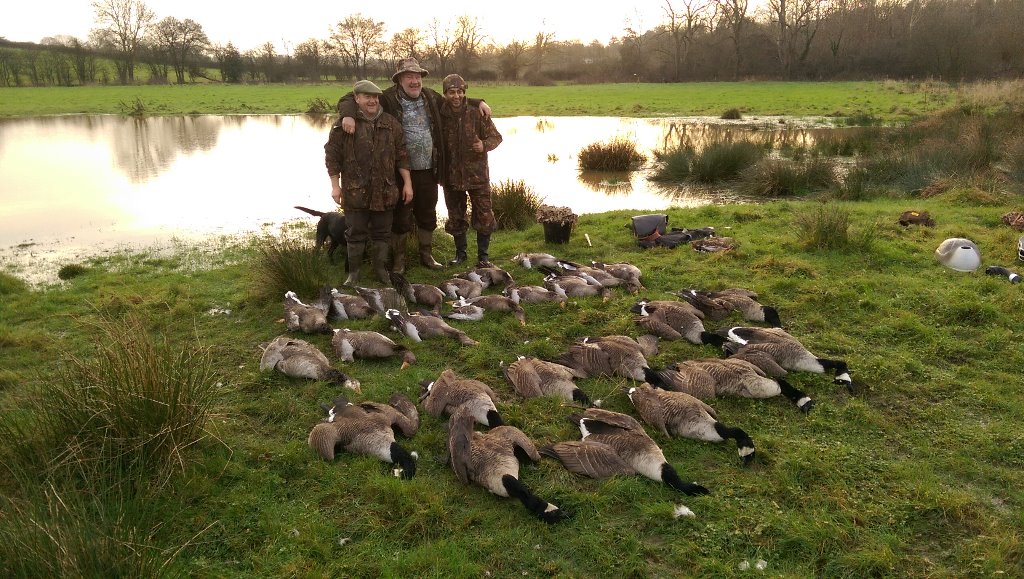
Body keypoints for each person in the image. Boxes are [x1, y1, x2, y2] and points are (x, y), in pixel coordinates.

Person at [336, 58, 491, 273]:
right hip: (399, 171)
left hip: (429, 169)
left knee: (427, 214)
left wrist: (478, 101)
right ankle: (399, 261)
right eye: (409, 76)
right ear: (399, 79)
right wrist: (348, 114)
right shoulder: (387, 98)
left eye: (417, 76)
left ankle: (426, 256)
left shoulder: (430, 96)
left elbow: (456, 100)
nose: (414, 80)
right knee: (401, 216)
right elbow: (352, 97)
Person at [324, 80, 413, 286]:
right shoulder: (343, 125)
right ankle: (353, 274)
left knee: (382, 233)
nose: (372, 101)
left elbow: (402, 155)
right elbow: (332, 157)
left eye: (375, 97)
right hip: (355, 191)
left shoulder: (391, 124)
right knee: (355, 233)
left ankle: (380, 271)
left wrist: (407, 183)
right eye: (367, 97)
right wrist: (335, 186)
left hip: (385, 190)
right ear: (356, 99)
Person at [438, 74, 503, 268]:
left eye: (459, 92)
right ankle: (461, 255)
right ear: (446, 94)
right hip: (451, 177)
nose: (456, 96)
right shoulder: (439, 114)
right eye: (451, 92)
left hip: (478, 176)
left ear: (464, 92)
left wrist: (483, 145)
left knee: (484, 215)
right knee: (455, 216)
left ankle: (483, 257)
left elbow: (496, 138)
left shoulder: (477, 112)